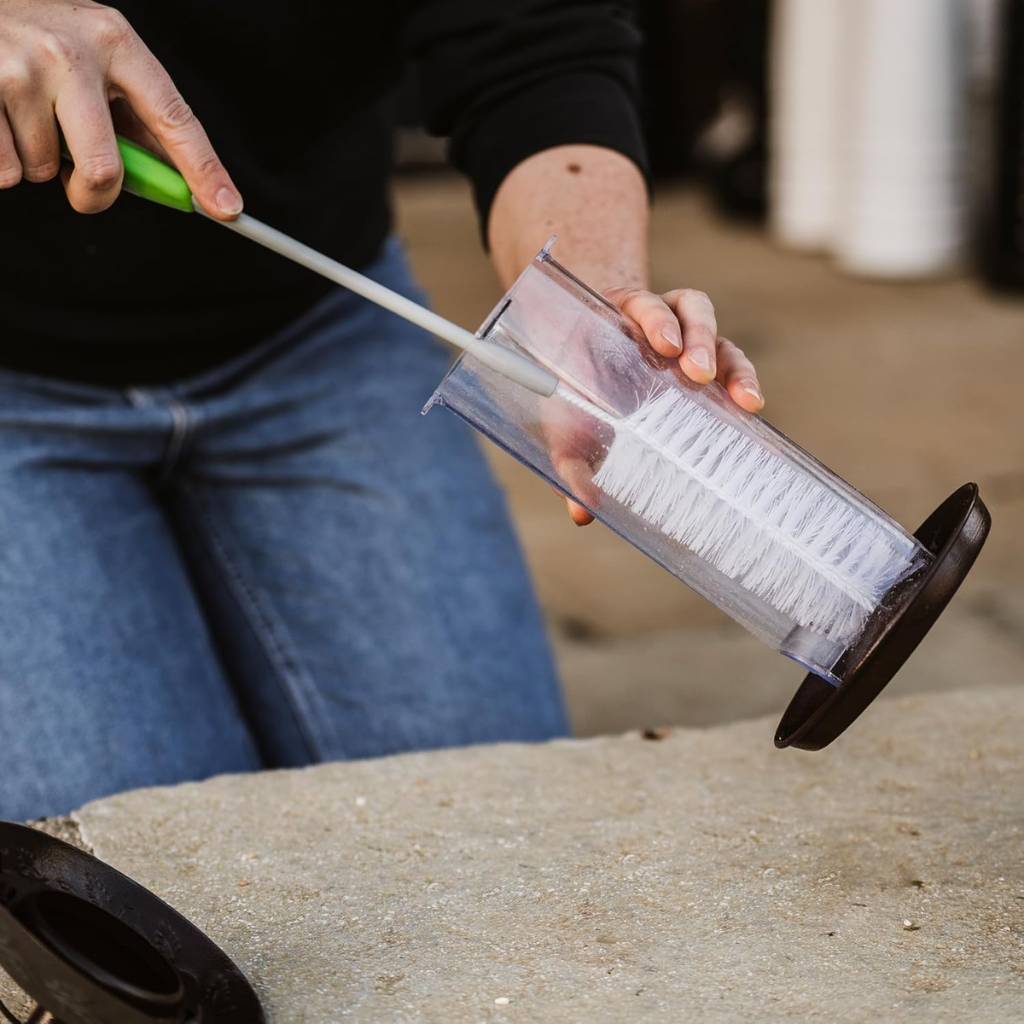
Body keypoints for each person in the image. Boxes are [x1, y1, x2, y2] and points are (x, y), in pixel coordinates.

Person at [0, 1, 765, 821]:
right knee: (147, 868)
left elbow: (537, 40)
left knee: (498, 829)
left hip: (314, 318)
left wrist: (584, 308)